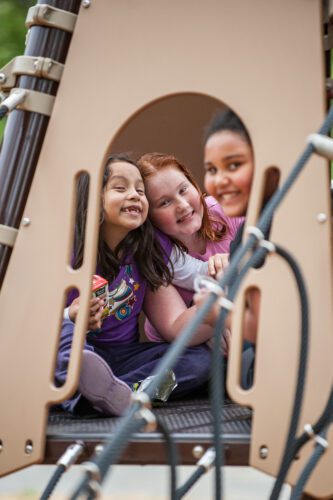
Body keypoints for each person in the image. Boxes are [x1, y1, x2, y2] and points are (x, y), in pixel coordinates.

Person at [56, 154, 215, 417]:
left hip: (124, 357)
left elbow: (194, 273)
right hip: (78, 350)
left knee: (201, 361)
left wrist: (235, 267)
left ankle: (128, 394)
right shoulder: (71, 247)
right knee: (65, 338)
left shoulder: (149, 244)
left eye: (140, 191)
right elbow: (37, 314)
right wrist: (71, 316)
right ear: (94, 198)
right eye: (120, 188)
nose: (134, 195)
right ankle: (84, 389)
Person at [137, 152, 244, 345]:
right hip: (186, 355)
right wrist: (214, 323)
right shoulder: (153, 254)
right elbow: (176, 330)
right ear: (148, 217)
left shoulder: (226, 210)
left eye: (183, 190)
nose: (182, 205)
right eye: (164, 202)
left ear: (194, 185)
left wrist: (236, 262)